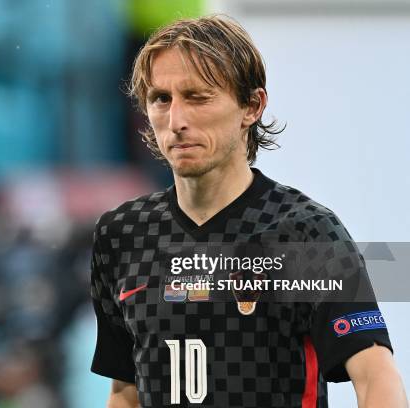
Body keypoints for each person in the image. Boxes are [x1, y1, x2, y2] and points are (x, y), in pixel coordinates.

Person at [89, 15, 407, 408]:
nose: (176, 121)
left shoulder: (306, 234)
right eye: (161, 99)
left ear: (252, 106)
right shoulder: (120, 235)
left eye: (197, 97)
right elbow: (125, 392)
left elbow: (377, 381)